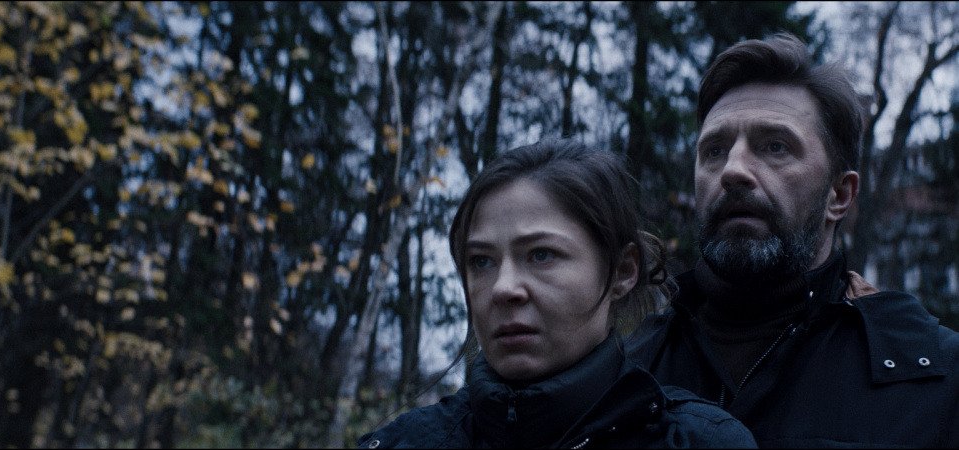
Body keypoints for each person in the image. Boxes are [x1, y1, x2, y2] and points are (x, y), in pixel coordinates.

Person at [626, 33, 959, 447]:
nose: (733, 170)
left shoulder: (933, 379)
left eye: (775, 147)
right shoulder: (629, 374)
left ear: (839, 195)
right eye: (714, 151)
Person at [357, 139, 756, 448]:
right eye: (481, 261)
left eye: (541, 255)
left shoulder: (700, 442)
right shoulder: (401, 443)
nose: (504, 288)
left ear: (623, 271)